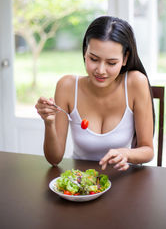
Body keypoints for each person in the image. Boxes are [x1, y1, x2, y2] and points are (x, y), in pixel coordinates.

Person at [35, 16, 154, 171]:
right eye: (94, 59)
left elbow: (148, 150)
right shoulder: (67, 86)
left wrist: (126, 153)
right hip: (81, 185)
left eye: (111, 63)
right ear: (85, 52)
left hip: (121, 180)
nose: (100, 70)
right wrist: (49, 122)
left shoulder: (135, 83)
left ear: (125, 58)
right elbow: (54, 159)